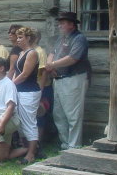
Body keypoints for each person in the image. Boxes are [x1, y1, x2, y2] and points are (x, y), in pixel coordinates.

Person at [45, 12, 89, 150]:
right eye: (60, 23)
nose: (60, 25)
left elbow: (73, 58)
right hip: (59, 80)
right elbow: (52, 53)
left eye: (62, 23)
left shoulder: (79, 38)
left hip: (74, 79)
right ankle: (65, 144)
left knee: (73, 114)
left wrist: (53, 65)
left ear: (71, 24)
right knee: (59, 114)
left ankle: (74, 146)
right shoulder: (61, 38)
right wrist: (49, 65)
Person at [13, 27, 41, 165]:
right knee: (20, 122)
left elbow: (24, 74)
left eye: (21, 37)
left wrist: (10, 85)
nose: (18, 40)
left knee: (29, 121)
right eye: (17, 37)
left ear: (28, 38)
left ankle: (31, 154)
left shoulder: (32, 53)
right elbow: (16, 72)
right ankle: (25, 148)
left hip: (29, 92)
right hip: (19, 91)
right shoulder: (21, 53)